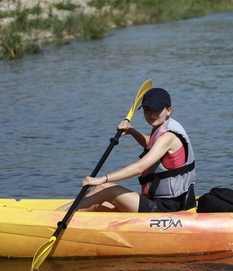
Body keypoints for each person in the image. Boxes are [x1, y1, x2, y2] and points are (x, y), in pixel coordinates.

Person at [58, 87, 196, 213]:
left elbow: (139, 168)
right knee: (97, 203)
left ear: (169, 110)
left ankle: (52, 219)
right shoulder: (162, 129)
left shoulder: (169, 137)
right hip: (158, 202)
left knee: (104, 188)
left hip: (167, 207)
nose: (151, 114)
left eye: (156, 110)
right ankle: (55, 216)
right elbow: (152, 144)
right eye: (147, 109)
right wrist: (132, 131)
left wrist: (102, 179)